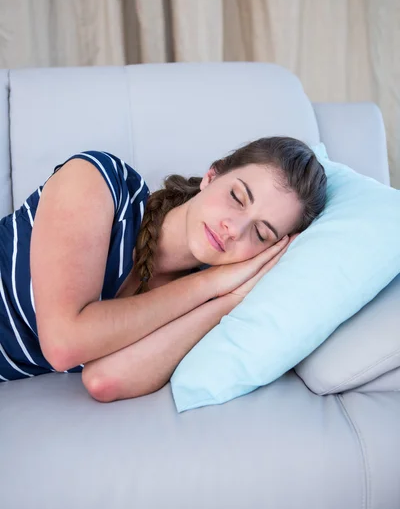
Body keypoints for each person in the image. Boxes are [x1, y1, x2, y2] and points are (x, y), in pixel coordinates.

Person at [0, 136, 327, 401]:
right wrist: (210, 285)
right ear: (212, 176)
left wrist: (231, 297)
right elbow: (63, 344)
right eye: (237, 197)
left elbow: (105, 380)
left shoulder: (197, 305)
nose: (234, 228)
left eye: (260, 233)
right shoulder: (99, 182)